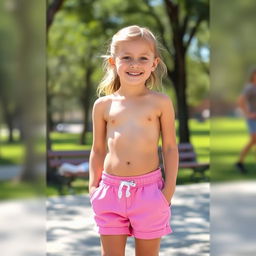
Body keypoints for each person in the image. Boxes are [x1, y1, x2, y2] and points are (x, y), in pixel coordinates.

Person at [89, 25, 179, 256]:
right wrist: (93, 187)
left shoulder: (160, 102)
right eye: (126, 57)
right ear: (113, 62)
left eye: (143, 58)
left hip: (150, 193)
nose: (135, 64)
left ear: (154, 64)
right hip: (109, 192)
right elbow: (98, 149)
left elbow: (169, 147)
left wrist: (168, 191)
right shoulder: (103, 105)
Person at [235, 68, 256, 174]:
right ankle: (239, 162)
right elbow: (240, 100)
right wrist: (248, 114)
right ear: (253, 76)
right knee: (254, 139)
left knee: (254, 141)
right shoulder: (250, 88)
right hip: (252, 118)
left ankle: (240, 162)